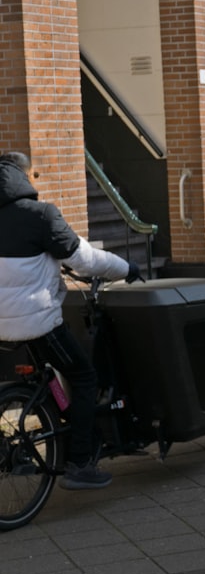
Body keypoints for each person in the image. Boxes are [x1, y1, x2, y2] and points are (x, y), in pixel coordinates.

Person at [0, 152, 142, 489]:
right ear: (24, 177)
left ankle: (56, 430)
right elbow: (86, 260)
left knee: (47, 376)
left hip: (3, 326)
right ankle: (79, 463)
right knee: (84, 376)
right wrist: (127, 268)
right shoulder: (41, 215)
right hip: (36, 322)